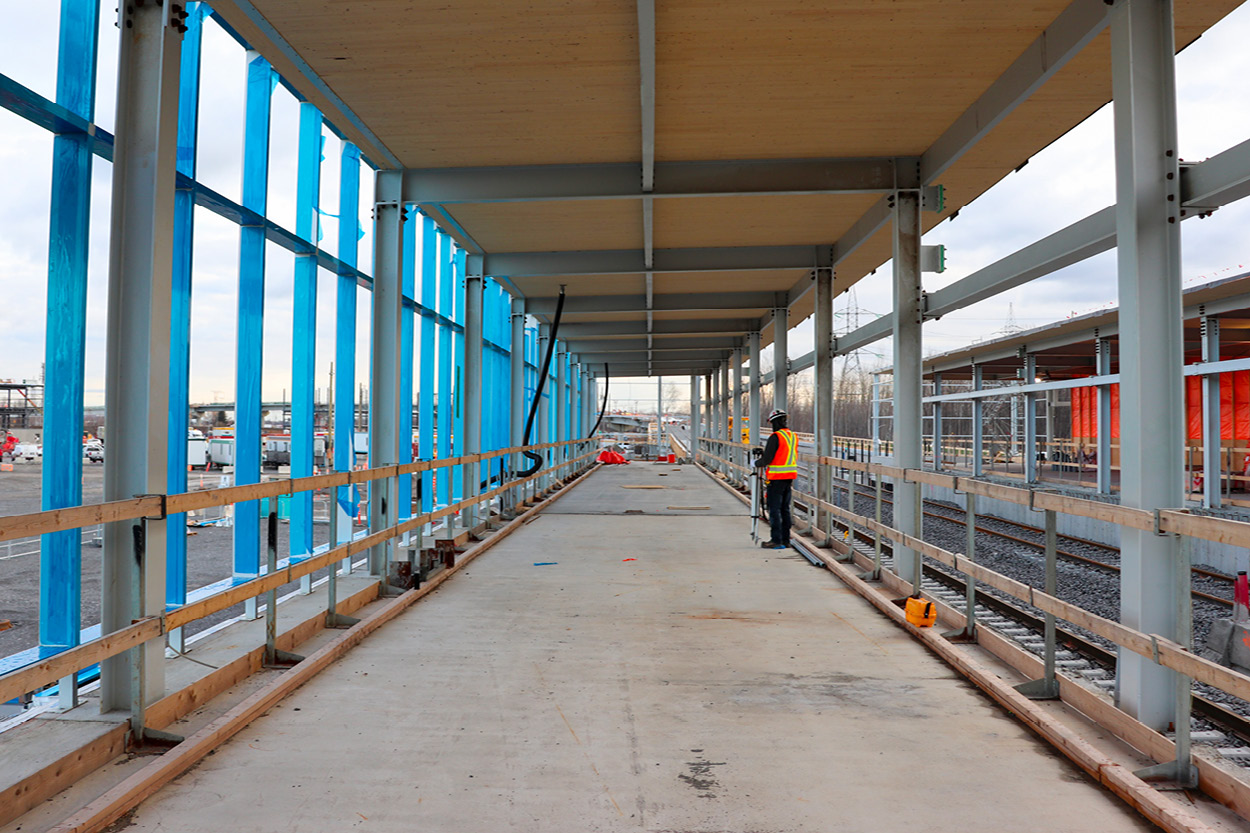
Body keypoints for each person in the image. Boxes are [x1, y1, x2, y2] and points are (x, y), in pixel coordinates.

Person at [756, 408, 797, 549]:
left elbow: (767, 459)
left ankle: (776, 540)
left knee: (774, 509)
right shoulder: (792, 436)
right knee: (785, 509)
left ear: (774, 422)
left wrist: (757, 462)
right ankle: (786, 540)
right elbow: (782, 454)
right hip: (789, 477)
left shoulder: (775, 436)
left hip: (776, 478)